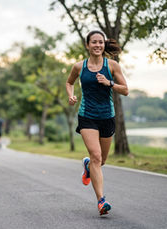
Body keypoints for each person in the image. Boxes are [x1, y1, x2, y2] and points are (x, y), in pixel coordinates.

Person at [66, 30, 129, 216]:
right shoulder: (79, 67)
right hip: (87, 116)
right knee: (95, 155)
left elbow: (125, 90)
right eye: (94, 42)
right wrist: (71, 96)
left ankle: (87, 167)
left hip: (107, 116)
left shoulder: (112, 66)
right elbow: (69, 82)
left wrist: (109, 83)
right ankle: (101, 201)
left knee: (101, 161)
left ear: (104, 45)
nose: (97, 45)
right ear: (87, 45)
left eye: (100, 42)